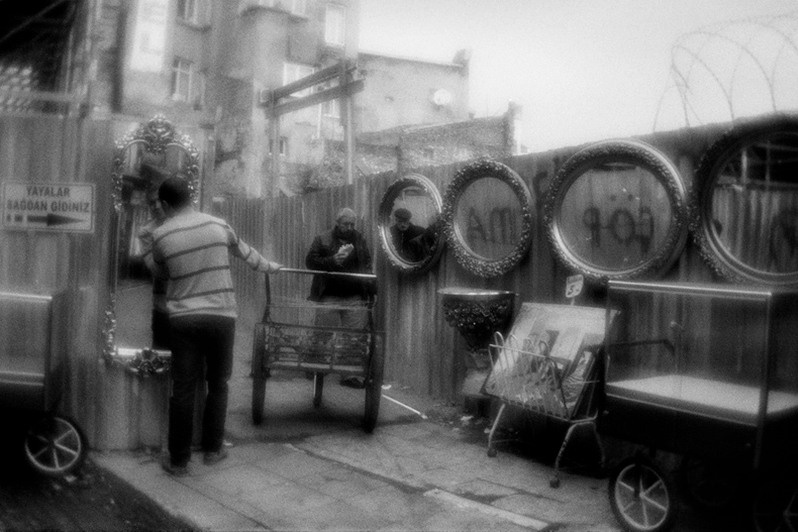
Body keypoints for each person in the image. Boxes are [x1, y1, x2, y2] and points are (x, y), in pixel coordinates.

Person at [146, 176, 282, 476]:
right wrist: (272, 267)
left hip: (184, 319)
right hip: (222, 317)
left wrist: (148, 248)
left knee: (182, 389)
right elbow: (249, 256)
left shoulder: (161, 236)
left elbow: (161, 274)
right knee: (218, 384)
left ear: (166, 204)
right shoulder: (219, 225)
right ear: (191, 198)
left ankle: (179, 461)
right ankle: (213, 450)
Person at [305, 207, 375, 387]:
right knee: (322, 332)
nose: (350, 227)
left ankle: (349, 374)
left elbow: (366, 264)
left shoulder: (359, 239)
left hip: (354, 295)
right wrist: (332, 261)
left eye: (352, 224)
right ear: (337, 223)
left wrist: (370, 287)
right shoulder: (323, 238)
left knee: (353, 337)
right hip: (329, 294)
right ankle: (314, 366)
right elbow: (310, 261)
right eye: (346, 224)